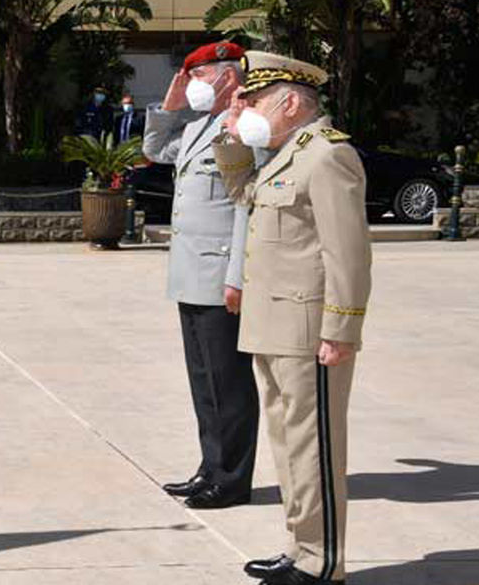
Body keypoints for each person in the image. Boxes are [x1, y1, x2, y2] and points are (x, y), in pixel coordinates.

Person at [213, 51, 372, 585]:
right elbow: (242, 195)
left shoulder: (327, 156)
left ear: (290, 101)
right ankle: (302, 549)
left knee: (315, 450)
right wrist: (233, 133)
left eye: (255, 100)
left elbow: (346, 253)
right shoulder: (285, 157)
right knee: (288, 447)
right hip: (274, 329)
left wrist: (341, 330)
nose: (249, 107)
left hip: (309, 334)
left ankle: (323, 563)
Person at [143, 41, 258, 510]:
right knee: (204, 379)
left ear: (228, 76)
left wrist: (238, 276)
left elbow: (247, 205)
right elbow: (155, 149)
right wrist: (168, 107)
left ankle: (231, 479)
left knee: (227, 382)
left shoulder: (247, 126)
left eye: (199, 76)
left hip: (220, 274)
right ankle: (211, 467)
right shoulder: (199, 126)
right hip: (191, 271)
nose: (191, 85)